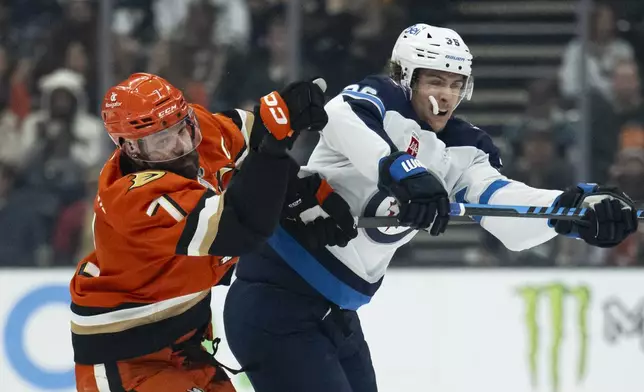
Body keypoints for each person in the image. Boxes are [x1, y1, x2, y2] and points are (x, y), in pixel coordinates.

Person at [223, 23, 639, 392]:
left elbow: (499, 207)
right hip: (275, 300)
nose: (446, 95)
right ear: (405, 77)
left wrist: (570, 210)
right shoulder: (375, 100)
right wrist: (401, 170)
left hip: (337, 317)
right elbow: (340, 116)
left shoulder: (465, 147)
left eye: (456, 83)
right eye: (435, 81)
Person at [70, 72, 331, 392]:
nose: (181, 144)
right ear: (131, 149)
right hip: (126, 358)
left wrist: (294, 105)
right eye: (162, 141)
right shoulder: (135, 199)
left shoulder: (194, 131)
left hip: (187, 341)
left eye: (183, 127)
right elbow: (243, 229)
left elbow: (259, 128)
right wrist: (277, 148)